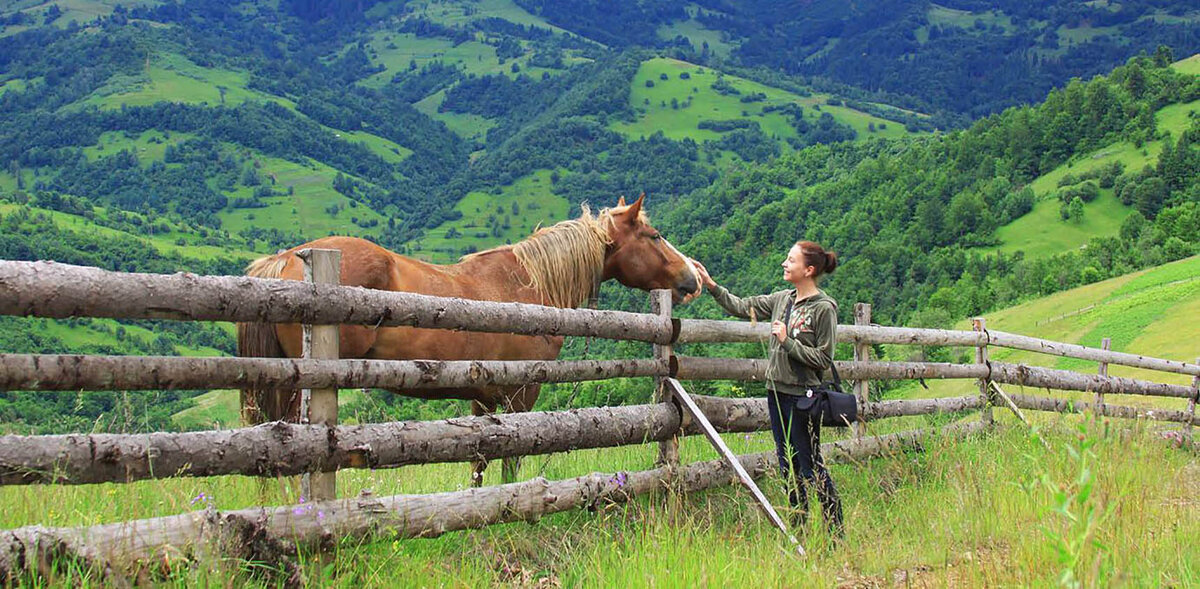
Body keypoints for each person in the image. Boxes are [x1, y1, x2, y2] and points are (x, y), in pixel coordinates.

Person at [692, 241, 844, 537]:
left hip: (803, 397)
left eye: (791, 260)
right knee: (787, 463)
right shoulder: (782, 299)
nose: (784, 264)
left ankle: (835, 531)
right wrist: (711, 285)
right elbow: (742, 306)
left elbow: (824, 359)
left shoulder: (824, 308)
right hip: (776, 393)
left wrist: (788, 342)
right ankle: (799, 529)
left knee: (810, 466)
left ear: (808, 270)